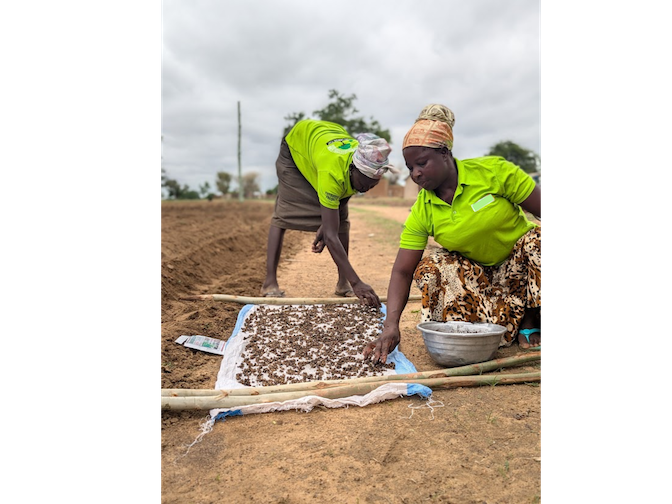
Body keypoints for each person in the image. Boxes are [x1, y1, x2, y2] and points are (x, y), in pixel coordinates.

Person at [363, 104, 542, 363]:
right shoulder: (423, 209)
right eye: (410, 167)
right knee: (432, 266)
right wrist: (390, 325)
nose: (415, 174)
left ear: (445, 153)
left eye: (422, 163)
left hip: (523, 271)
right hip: (482, 283)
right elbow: (402, 270)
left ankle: (533, 316)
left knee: (538, 241)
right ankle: (500, 323)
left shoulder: (494, 172)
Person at [261, 119, 394, 307]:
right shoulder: (332, 172)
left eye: (373, 185)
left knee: (341, 220)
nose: (367, 189)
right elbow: (331, 236)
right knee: (285, 213)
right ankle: (269, 282)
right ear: (352, 169)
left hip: (324, 139)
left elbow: (347, 192)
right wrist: (358, 283)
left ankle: (343, 283)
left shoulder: (366, 156)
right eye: (364, 184)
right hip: (296, 146)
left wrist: (328, 221)